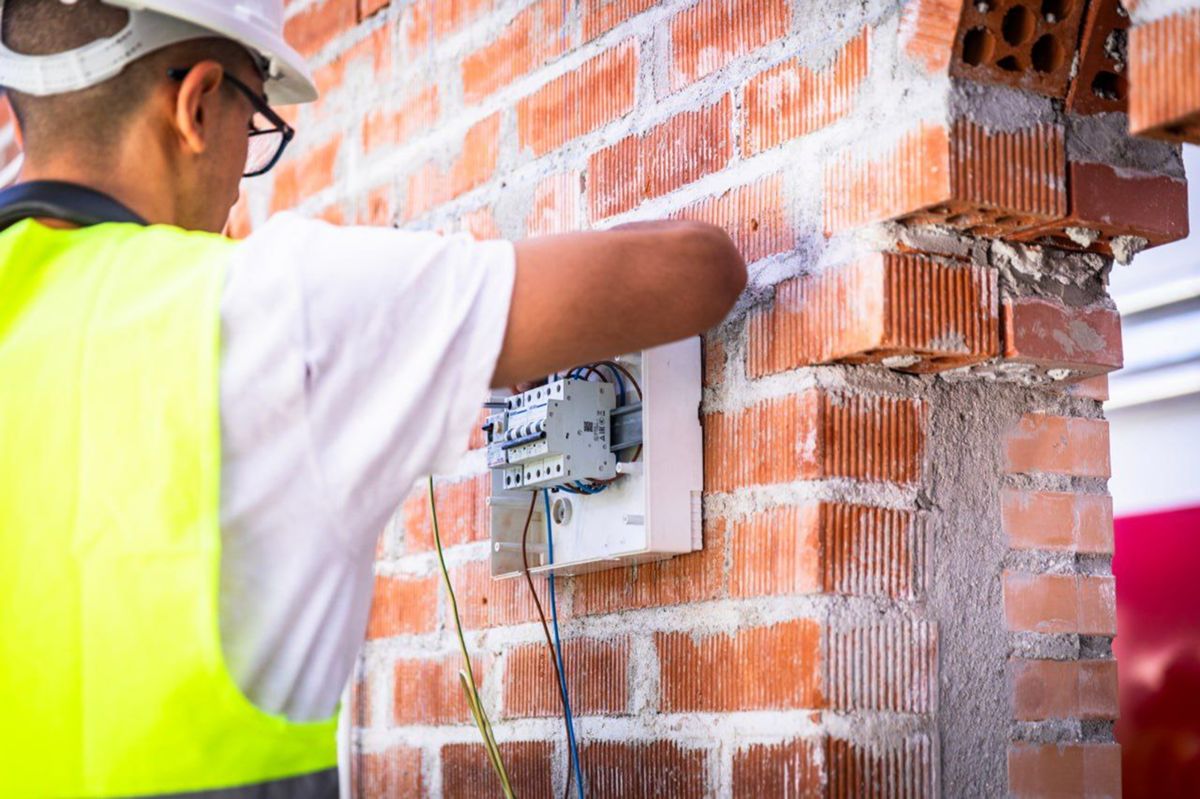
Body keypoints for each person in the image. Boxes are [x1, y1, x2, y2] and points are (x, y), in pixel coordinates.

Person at [0, 0, 747, 797]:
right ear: (198, 105)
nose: (237, 195)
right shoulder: (269, 307)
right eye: (255, 129)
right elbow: (696, 273)